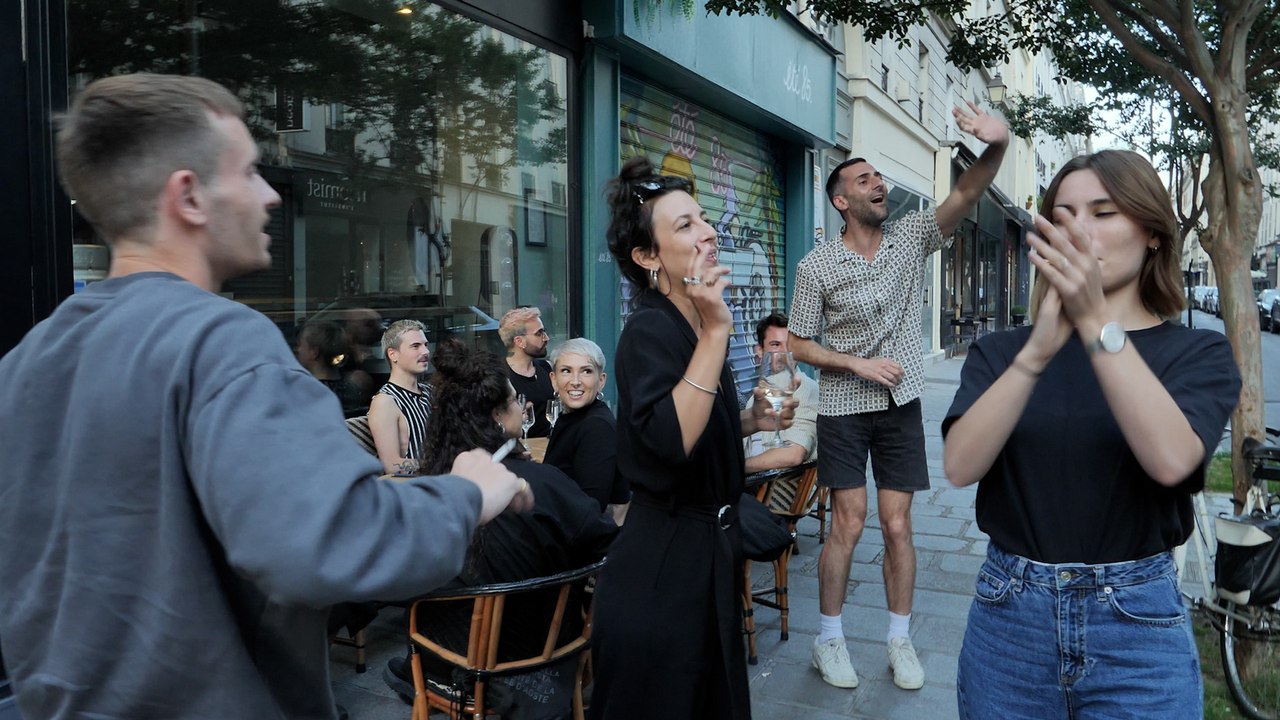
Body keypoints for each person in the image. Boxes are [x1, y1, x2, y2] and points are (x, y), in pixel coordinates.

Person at [0, 73, 533, 720]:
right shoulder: (223, 340)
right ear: (189, 196)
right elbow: (331, 545)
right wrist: (468, 491)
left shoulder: (26, 362)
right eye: (250, 171)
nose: (271, 195)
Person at [942, 150, 1240, 718]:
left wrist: (1097, 322)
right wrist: (1037, 354)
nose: (1079, 229)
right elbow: (959, 465)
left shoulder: (1197, 353)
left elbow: (1173, 461)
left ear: (1153, 233)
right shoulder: (1003, 349)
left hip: (1138, 629)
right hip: (1011, 623)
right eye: (1065, 214)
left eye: (1103, 212)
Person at [788, 101, 1010, 691]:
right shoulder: (817, 267)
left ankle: (899, 639)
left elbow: (965, 196)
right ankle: (829, 640)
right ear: (841, 200)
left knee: (897, 527)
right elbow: (798, 343)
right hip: (841, 406)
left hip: (901, 400)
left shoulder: (910, 236)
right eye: (865, 180)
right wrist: (855, 363)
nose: (878, 184)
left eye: (878, 178)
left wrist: (995, 145)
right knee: (848, 523)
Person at [588, 156, 792, 720]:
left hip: (707, 560)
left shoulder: (696, 325)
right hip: (663, 572)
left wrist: (751, 421)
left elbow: (695, 432)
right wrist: (721, 329)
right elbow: (673, 442)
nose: (708, 233)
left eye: (702, 218)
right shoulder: (651, 330)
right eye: (684, 226)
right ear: (648, 257)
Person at [383, 339, 617, 717]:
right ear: (496, 416)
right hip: (544, 648)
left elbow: (400, 584)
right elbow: (604, 544)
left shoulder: (431, 495)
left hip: (455, 652)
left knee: (407, 648)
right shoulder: (546, 484)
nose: (522, 406)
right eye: (514, 400)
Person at [543, 337, 628, 516]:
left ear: (602, 380)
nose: (575, 381)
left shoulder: (597, 427)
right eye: (566, 371)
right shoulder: (570, 418)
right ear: (553, 379)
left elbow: (590, 509)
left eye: (586, 371)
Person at [743, 312, 819, 474]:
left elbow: (793, 454)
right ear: (760, 352)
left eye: (789, 345)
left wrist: (734, 470)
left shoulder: (806, 388)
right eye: (776, 345)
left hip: (768, 491)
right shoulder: (757, 396)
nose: (785, 353)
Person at [368, 319, 433, 475]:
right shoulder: (385, 401)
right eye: (415, 346)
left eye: (425, 345)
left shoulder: (431, 391)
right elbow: (392, 465)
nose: (425, 352)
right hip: (416, 490)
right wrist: (438, 464)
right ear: (393, 354)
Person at [295, 320, 374, 417]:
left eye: (299, 345)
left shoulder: (304, 393)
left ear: (314, 352)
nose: (297, 350)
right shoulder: (352, 390)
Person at [500, 306, 555, 438]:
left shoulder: (547, 368)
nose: (546, 338)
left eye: (544, 332)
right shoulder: (500, 376)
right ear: (519, 341)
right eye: (539, 333)